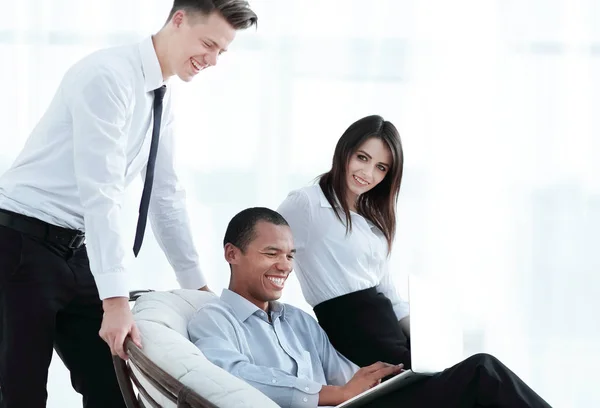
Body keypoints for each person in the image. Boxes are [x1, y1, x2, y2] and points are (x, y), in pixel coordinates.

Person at [0, 1, 257, 407]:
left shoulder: (161, 96)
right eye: (208, 44)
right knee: (19, 393)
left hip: (76, 248)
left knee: (113, 389)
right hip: (19, 243)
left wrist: (200, 290)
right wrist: (116, 301)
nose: (212, 60)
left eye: (221, 52)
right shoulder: (107, 76)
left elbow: (166, 196)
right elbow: (99, 190)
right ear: (178, 20)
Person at [188, 207, 552, 408]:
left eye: (290, 255)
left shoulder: (298, 321)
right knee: (481, 371)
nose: (285, 265)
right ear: (231, 254)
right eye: (271, 253)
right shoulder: (214, 319)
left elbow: (343, 375)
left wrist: (383, 379)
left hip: (359, 406)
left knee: (469, 390)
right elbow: (232, 377)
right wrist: (334, 395)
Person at [277, 114, 411, 369]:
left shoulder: (374, 223)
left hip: (393, 336)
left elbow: (390, 296)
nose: (367, 173)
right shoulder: (307, 204)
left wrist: (425, 341)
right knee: (483, 371)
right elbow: (262, 252)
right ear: (345, 150)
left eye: (381, 167)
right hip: (357, 339)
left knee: (473, 378)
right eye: (363, 158)